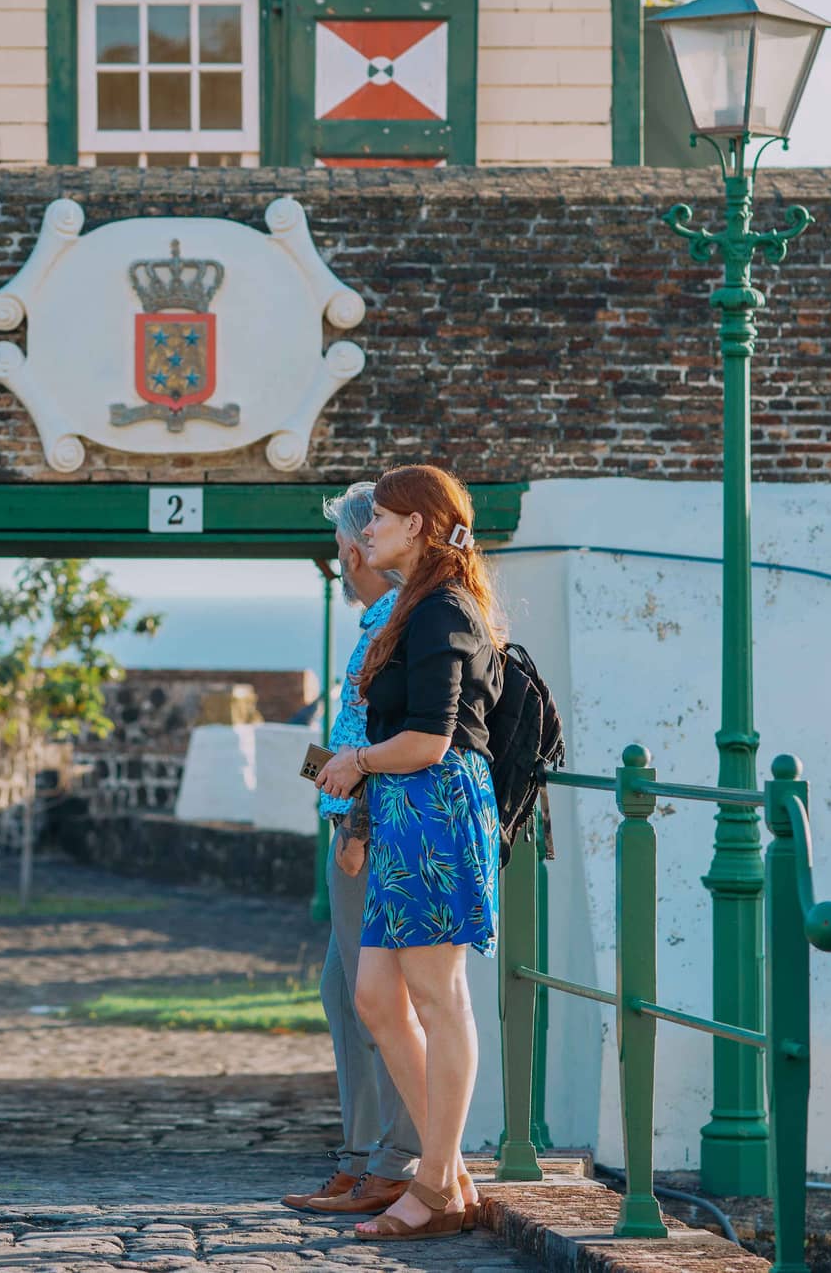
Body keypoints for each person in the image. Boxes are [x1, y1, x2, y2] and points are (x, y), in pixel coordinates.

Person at [313, 464, 504, 1241]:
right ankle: (446, 1169)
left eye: (380, 520)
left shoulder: (444, 609)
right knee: (375, 998)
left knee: (436, 996)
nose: (366, 534)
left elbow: (429, 740)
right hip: (402, 815)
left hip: (434, 813)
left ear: (418, 527)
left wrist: (356, 762)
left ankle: (435, 1182)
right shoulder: (417, 607)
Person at [279, 482, 422, 1218]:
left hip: (370, 837)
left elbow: (382, 739)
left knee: (377, 1001)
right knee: (344, 994)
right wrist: (317, 774)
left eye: (343, 544)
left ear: (356, 545)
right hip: (356, 824)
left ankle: (394, 1160)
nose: (340, 558)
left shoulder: (390, 624)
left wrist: (355, 824)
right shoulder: (378, 621)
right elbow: (350, 741)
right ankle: (364, 1155)